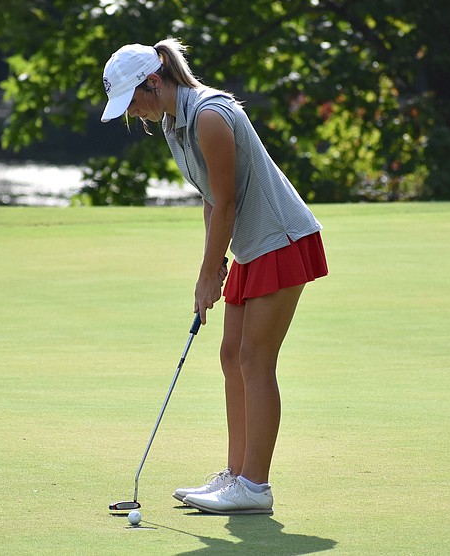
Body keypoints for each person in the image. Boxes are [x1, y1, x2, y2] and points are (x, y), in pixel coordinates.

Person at [100, 39, 328, 515]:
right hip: (249, 246)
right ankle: (235, 476)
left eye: (133, 102)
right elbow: (209, 197)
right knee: (231, 355)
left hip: (279, 238)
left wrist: (208, 275)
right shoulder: (172, 124)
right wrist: (214, 263)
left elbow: (226, 202)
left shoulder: (208, 114)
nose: (134, 114)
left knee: (254, 359)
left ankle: (255, 487)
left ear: (154, 81)